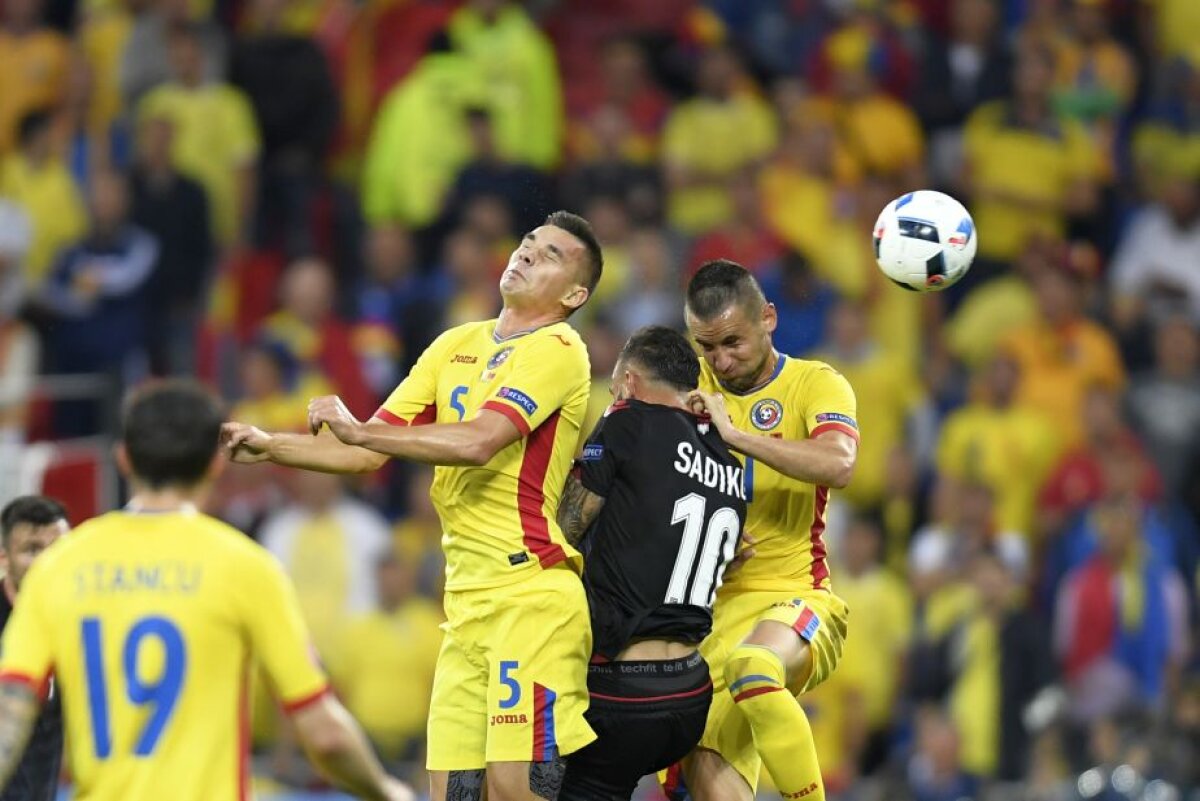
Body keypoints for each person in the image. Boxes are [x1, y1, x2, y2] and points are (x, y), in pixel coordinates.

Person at [222, 210, 605, 801]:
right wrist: (273, 447)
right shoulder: (455, 344)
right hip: (464, 604)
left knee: (515, 785)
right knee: (450, 791)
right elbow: (365, 454)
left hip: (529, 595)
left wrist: (362, 433)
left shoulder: (559, 348)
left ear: (576, 294)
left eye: (551, 254)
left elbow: (477, 441)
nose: (527, 253)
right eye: (528, 242)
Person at [0, 380, 413, 801]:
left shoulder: (60, 566)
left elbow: (9, 713)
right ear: (214, 466)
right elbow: (324, 735)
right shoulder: (246, 566)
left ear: (123, 460)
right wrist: (388, 791)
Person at [675, 259, 859, 801]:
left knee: (754, 668)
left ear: (769, 318)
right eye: (707, 347)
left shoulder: (815, 383)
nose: (722, 361)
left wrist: (737, 435)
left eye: (733, 341)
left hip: (795, 598)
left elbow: (838, 463)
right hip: (707, 618)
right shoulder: (685, 391)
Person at [554, 326, 746, 800]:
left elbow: (564, 530)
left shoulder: (626, 421)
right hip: (689, 694)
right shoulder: (730, 458)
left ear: (631, 382)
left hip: (620, 692)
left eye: (618, 386)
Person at [0, 495, 69, 801]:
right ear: (4, 559)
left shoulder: (84, 622)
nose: (47, 561)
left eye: (58, 549)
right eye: (32, 550)